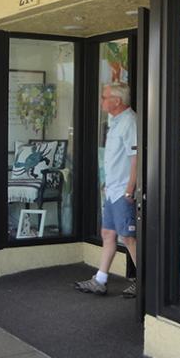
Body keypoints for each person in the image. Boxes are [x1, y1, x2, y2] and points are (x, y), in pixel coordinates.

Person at [75, 83, 137, 297]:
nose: (102, 101)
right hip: (112, 189)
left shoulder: (129, 121)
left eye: (105, 97)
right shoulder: (115, 121)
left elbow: (135, 158)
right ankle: (100, 280)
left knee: (128, 237)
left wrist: (130, 189)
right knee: (108, 233)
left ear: (117, 101)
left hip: (122, 190)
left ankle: (146, 282)